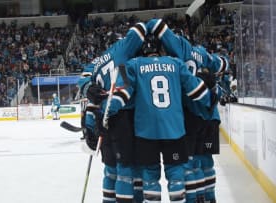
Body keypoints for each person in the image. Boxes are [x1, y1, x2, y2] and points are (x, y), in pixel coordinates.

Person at [100, 42, 216, 203]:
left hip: (146, 132)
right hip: (174, 130)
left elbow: (122, 94)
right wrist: (211, 99)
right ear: (161, 49)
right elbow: (195, 89)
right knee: (176, 177)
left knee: (150, 179)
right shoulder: (176, 63)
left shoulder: (133, 64)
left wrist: (105, 112)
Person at [145, 18, 229, 203]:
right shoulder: (201, 52)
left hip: (191, 114)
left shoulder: (177, 50)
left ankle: (196, 199)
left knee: (190, 164)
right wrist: (215, 72)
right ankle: (209, 198)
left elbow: (156, 24)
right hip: (210, 113)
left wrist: (143, 30)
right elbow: (222, 64)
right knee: (205, 161)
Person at [78, 21, 147, 203]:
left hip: (104, 119)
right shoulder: (122, 49)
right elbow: (141, 29)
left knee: (110, 170)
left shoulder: (98, 61)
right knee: (128, 170)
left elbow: (83, 78)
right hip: (123, 115)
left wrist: (87, 88)